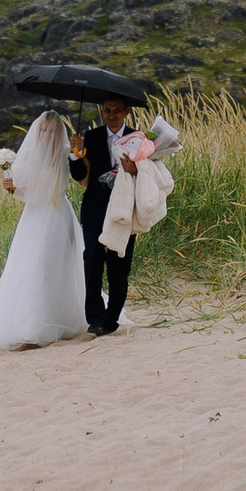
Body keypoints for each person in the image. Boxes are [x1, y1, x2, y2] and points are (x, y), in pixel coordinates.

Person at [0, 112, 89, 348]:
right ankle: (32, 325)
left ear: (58, 132)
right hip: (35, 216)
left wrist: (79, 152)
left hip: (57, 214)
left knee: (55, 266)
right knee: (34, 266)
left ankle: (56, 319)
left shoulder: (67, 151)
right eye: (43, 130)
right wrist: (11, 188)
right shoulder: (30, 154)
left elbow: (81, 176)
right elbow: (24, 190)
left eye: (51, 131)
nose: (47, 135)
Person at [71, 97, 147, 334]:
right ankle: (94, 318)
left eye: (117, 111)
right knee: (92, 257)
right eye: (107, 111)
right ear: (102, 111)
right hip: (94, 206)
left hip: (124, 207)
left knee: (119, 263)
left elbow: (150, 173)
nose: (112, 115)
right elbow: (79, 176)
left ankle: (111, 319)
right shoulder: (92, 136)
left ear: (126, 112)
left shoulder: (138, 138)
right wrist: (75, 154)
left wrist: (136, 169)